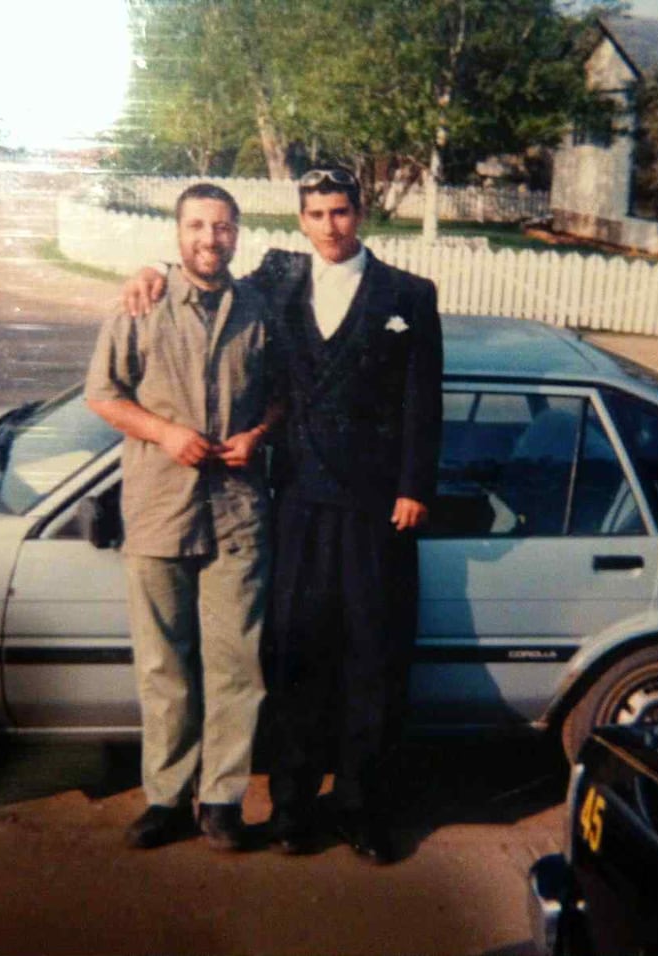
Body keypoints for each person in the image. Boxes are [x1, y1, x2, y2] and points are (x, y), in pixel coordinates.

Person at [123, 168, 442, 863]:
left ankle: (361, 807)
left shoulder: (408, 296)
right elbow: (201, 272)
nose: (330, 225)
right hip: (295, 502)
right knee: (295, 658)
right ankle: (295, 808)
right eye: (317, 214)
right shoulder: (275, 282)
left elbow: (424, 399)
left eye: (342, 212)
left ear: (363, 215)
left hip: (374, 510)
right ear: (300, 221)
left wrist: (415, 485)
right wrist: (147, 270)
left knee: (372, 661)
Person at [87, 183, 279, 852]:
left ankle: (222, 799)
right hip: (158, 507)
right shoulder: (143, 304)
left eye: (222, 227)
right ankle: (167, 796)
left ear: (237, 233)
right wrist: (164, 434)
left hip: (237, 512)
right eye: (197, 225)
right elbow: (102, 394)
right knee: (163, 666)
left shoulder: (260, 308)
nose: (210, 238)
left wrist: (259, 433)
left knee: (235, 664)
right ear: (177, 234)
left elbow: (283, 395)